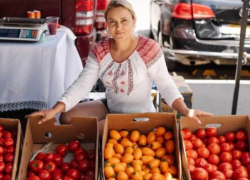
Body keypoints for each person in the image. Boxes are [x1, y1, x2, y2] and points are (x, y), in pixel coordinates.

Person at [26, 0, 212, 134]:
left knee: (93, 132)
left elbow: (166, 86)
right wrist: (53, 110)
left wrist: (187, 111)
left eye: (124, 21)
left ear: (133, 21)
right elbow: (82, 85)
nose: (118, 27)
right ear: (107, 25)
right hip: (110, 107)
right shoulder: (100, 50)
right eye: (113, 22)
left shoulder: (149, 49)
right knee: (65, 117)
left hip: (140, 116)